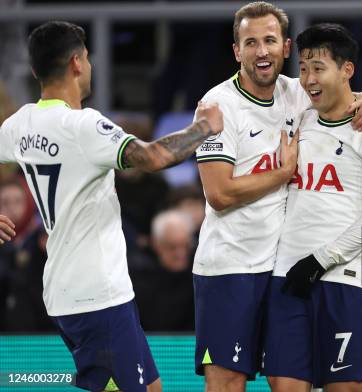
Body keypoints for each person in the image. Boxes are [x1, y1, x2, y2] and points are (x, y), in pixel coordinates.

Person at [0, 21, 223, 392]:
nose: (89, 66)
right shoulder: (83, 125)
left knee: (150, 387)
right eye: (87, 58)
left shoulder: (20, 123)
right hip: (95, 295)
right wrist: (203, 127)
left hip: (68, 289)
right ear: (75, 63)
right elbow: (152, 158)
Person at [193, 1, 362, 392]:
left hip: (283, 268)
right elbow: (219, 193)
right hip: (231, 265)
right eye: (250, 43)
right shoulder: (217, 106)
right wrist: (283, 173)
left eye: (269, 41)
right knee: (228, 381)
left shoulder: (295, 92)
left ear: (285, 47)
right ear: (237, 52)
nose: (260, 51)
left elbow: (339, 90)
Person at [262, 23, 362, 392]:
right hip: (287, 275)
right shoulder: (298, 117)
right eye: (303, 68)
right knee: (284, 384)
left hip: (343, 280)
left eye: (319, 68)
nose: (308, 79)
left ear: (347, 70)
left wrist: (320, 260)